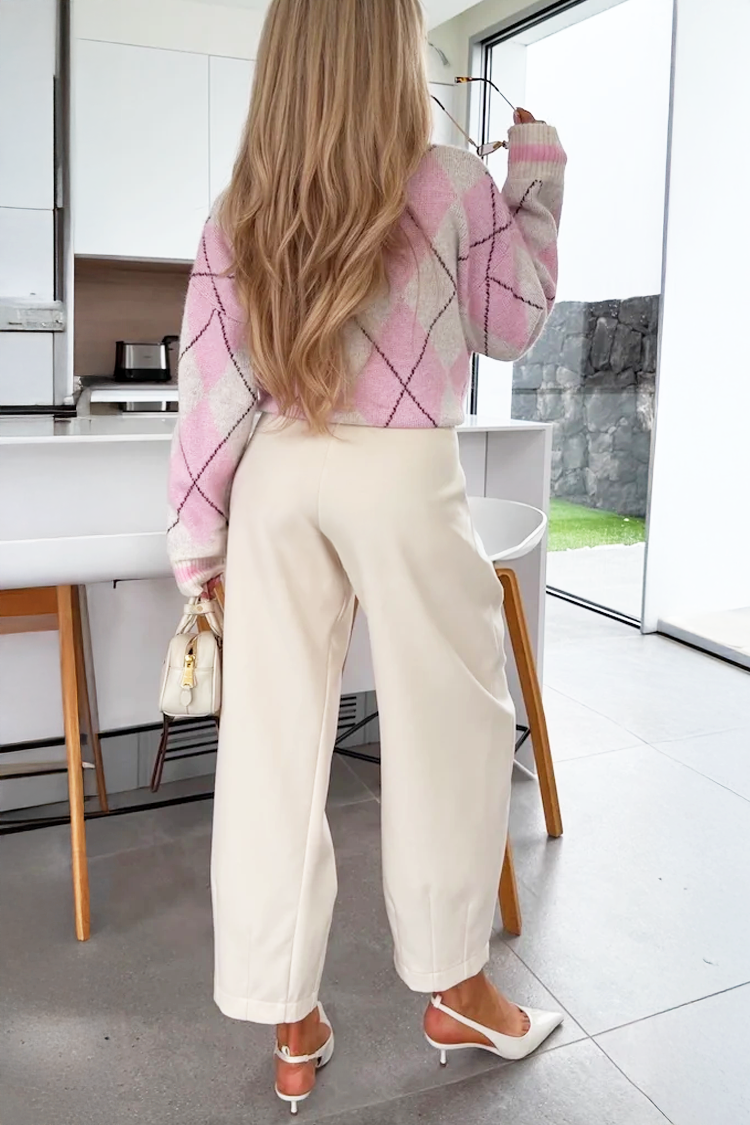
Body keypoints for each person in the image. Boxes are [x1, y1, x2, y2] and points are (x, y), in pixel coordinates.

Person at [167, 0, 566, 1113]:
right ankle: (456, 987)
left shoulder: (244, 206)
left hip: (278, 472)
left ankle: (289, 1025)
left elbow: (211, 395)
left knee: (272, 745)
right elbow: (512, 324)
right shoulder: (452, 180)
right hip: (404, 468)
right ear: (394, 48)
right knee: (453, 720)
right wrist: (536, 176)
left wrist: (199, 547)